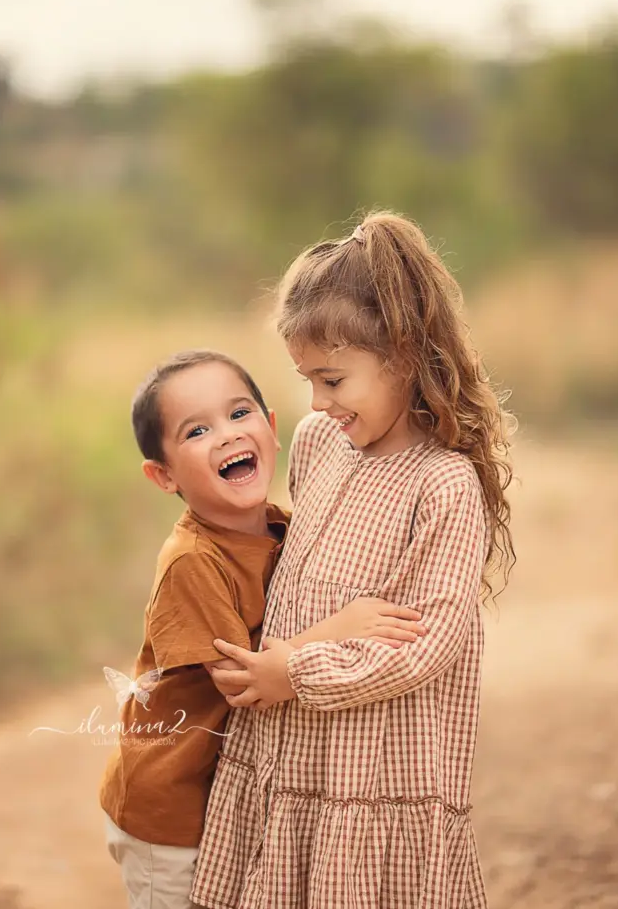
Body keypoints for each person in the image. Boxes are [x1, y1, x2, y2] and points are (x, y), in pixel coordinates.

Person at [192, 212, 516, 909]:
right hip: (291, 752)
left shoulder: (443, 484)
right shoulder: (316, 443)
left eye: (333, 379)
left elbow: (423, 645)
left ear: (402, 353)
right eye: (307, 378)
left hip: (371, 778)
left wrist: (298, 670)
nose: (317, 401)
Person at [98, 348, 432, 909]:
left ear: (273, 431)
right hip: (172, 808)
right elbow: (240, 681)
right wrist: (341, 628)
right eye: (197, 430)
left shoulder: (284, 531)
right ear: (163, 475)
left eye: (239, 413)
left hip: (233, 798)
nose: (227, 435)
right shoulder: (193, 560)